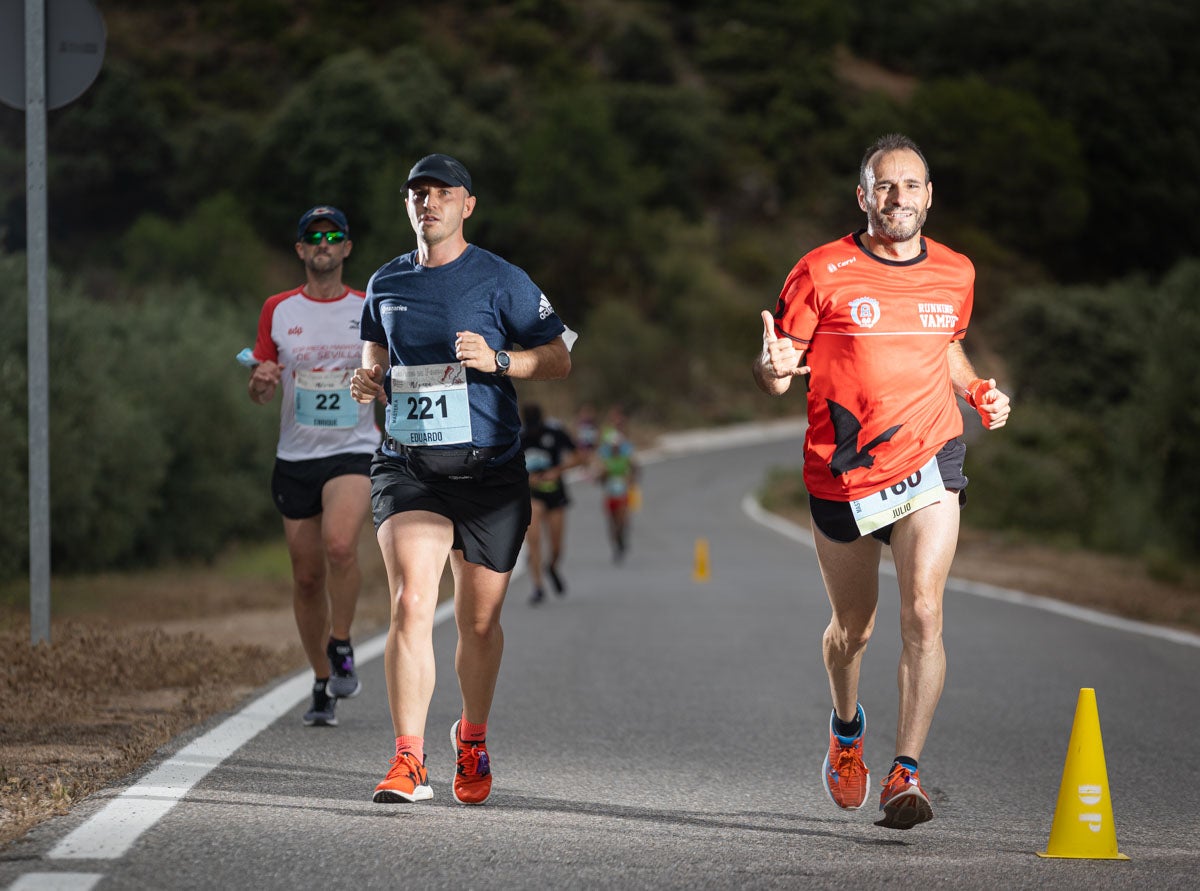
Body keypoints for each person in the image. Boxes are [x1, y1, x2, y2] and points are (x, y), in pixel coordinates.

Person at [752, 133, 1011, 830]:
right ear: (863, 196)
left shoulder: (956, 271)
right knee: (853, 630)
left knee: (924, 611)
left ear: (930, 195)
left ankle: (907, 770)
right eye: (885, 186)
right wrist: (773, 363)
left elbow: (946, 343)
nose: (899, 198)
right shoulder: (820, 270)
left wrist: (977, 387)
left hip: (931, 460)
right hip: (844, 476)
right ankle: (845, 728)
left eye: (912, 185)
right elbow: (778, 376)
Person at [351, 153, 573, 806]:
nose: (429, 202)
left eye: (442, 192)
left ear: (466, 205)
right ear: (408, 205)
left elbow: (559, 356)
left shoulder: (502, 280)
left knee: (478, 623)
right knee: (412, 602)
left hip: (491, 470)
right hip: (409, 462)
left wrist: (501, 359)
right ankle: (408, 758)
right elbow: (374, 351)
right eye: (417, 192)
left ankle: (470, 735)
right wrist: (369, 377)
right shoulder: (385, 281)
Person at [246, 205, 378, 727]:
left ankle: (342, 642)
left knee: (341, 544)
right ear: (300, 250)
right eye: (313, 236)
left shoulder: (370, 306)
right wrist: (259, 384)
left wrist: (378, 381)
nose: (323, 242)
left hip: (353, 448)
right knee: (305, 578)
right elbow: (262, 375)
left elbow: (386, 368)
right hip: (295, 454)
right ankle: (323, 681)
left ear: (347, 248)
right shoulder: (277, 309)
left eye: (334, 235)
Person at [520, 403, 580, 604]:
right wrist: (526, 478)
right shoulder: (517, 435)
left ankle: (552, 566)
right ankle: (537, 586)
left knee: (556, 546)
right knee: (534, 540)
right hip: (531, 493)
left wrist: (557, 471)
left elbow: (578, 456)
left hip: (555, 493)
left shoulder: (555, 432)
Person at [594, 408, 639, 563]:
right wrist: (602, 474)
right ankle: (616, 544)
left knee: (622, 518)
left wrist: (631, 479)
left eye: (617, 445)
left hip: (622, 492)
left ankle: (622, 537)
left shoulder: (626, 454)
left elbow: (635, 468)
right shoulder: (604, 455)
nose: (615, 448)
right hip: (609, 492)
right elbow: (598, 476)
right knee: (611, 522)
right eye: (613, 445)